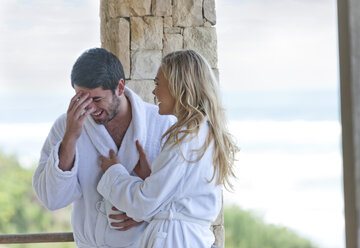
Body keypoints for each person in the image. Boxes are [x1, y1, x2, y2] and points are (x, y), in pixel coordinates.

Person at [32, 48, 174, 248]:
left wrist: (148, 213)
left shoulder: (161, 125)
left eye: (97, 99)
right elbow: (52, 198)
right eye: (81, 98)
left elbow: (182, 195)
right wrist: (71, 137)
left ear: (120, 87)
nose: (89, 108)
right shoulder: (65, 127)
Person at [97, 50, 238, 247]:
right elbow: (179, 197)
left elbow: (144, 204)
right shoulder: (205, 133)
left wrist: (114, 171)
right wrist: (152, 176)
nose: (154, 92)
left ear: (177, 86)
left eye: (157, 84)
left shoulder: (185, 137)